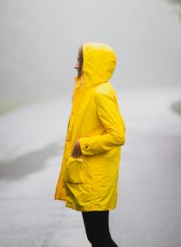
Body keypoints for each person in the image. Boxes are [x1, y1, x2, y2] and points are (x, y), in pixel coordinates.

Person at [54, 42, 126, 247]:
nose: (76, 66)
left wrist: (83, 145)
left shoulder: (100, 94)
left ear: (91, 64)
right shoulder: (87, 92)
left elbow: (118, 135)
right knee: (96, 237)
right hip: (89, 176)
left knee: (99, 237)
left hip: (96, 178)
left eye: (80, 61)